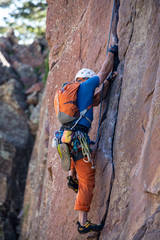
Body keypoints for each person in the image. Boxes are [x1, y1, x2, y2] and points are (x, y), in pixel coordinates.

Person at [59, 45, 118, 234]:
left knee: (80, 154)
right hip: (78, 138)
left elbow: (95, 100)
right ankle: (82, 223)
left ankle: (71, 176)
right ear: (86, 79)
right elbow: (103, 71)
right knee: (88, 181)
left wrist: (107, 84)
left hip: (64, 137)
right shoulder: (86, 85)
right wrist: (112, 52)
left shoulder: (66, 94)